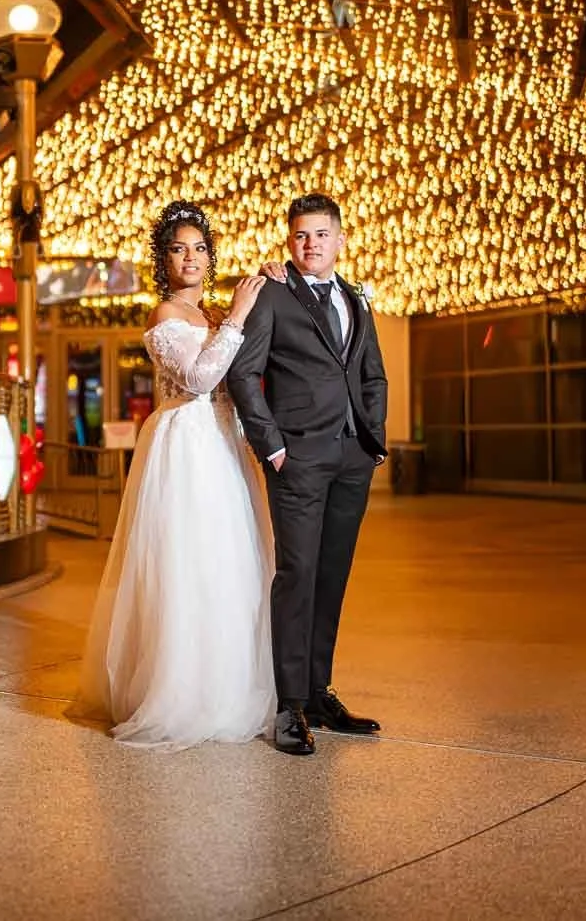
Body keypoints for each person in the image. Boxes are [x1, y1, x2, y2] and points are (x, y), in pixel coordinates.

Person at [72, 201, 276, 750]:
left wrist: (251, 305)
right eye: (179, 248)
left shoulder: (209, 317)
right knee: (186, 564)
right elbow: (198, 378)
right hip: (185, 446)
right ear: (165, 260)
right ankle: (182, 691)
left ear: (211, 258)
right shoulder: (167, 316)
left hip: (223, 446)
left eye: (200, 248)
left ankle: (230, 686)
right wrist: (236, 317)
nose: (191, 257)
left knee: (229, 564)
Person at [226, 193, 388, 756]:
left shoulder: (356, 298)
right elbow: (244, 376)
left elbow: (374, 376)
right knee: (296, 576)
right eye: (300, 235)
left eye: (321, 234)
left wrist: (374, 442)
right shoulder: (272, 294)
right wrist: (272, 447)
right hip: (296, 458)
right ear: (288, 241)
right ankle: (289, 704)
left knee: (331, 576)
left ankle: (319, 692)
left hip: (350, 459)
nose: (311, 244)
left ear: (340, 239)